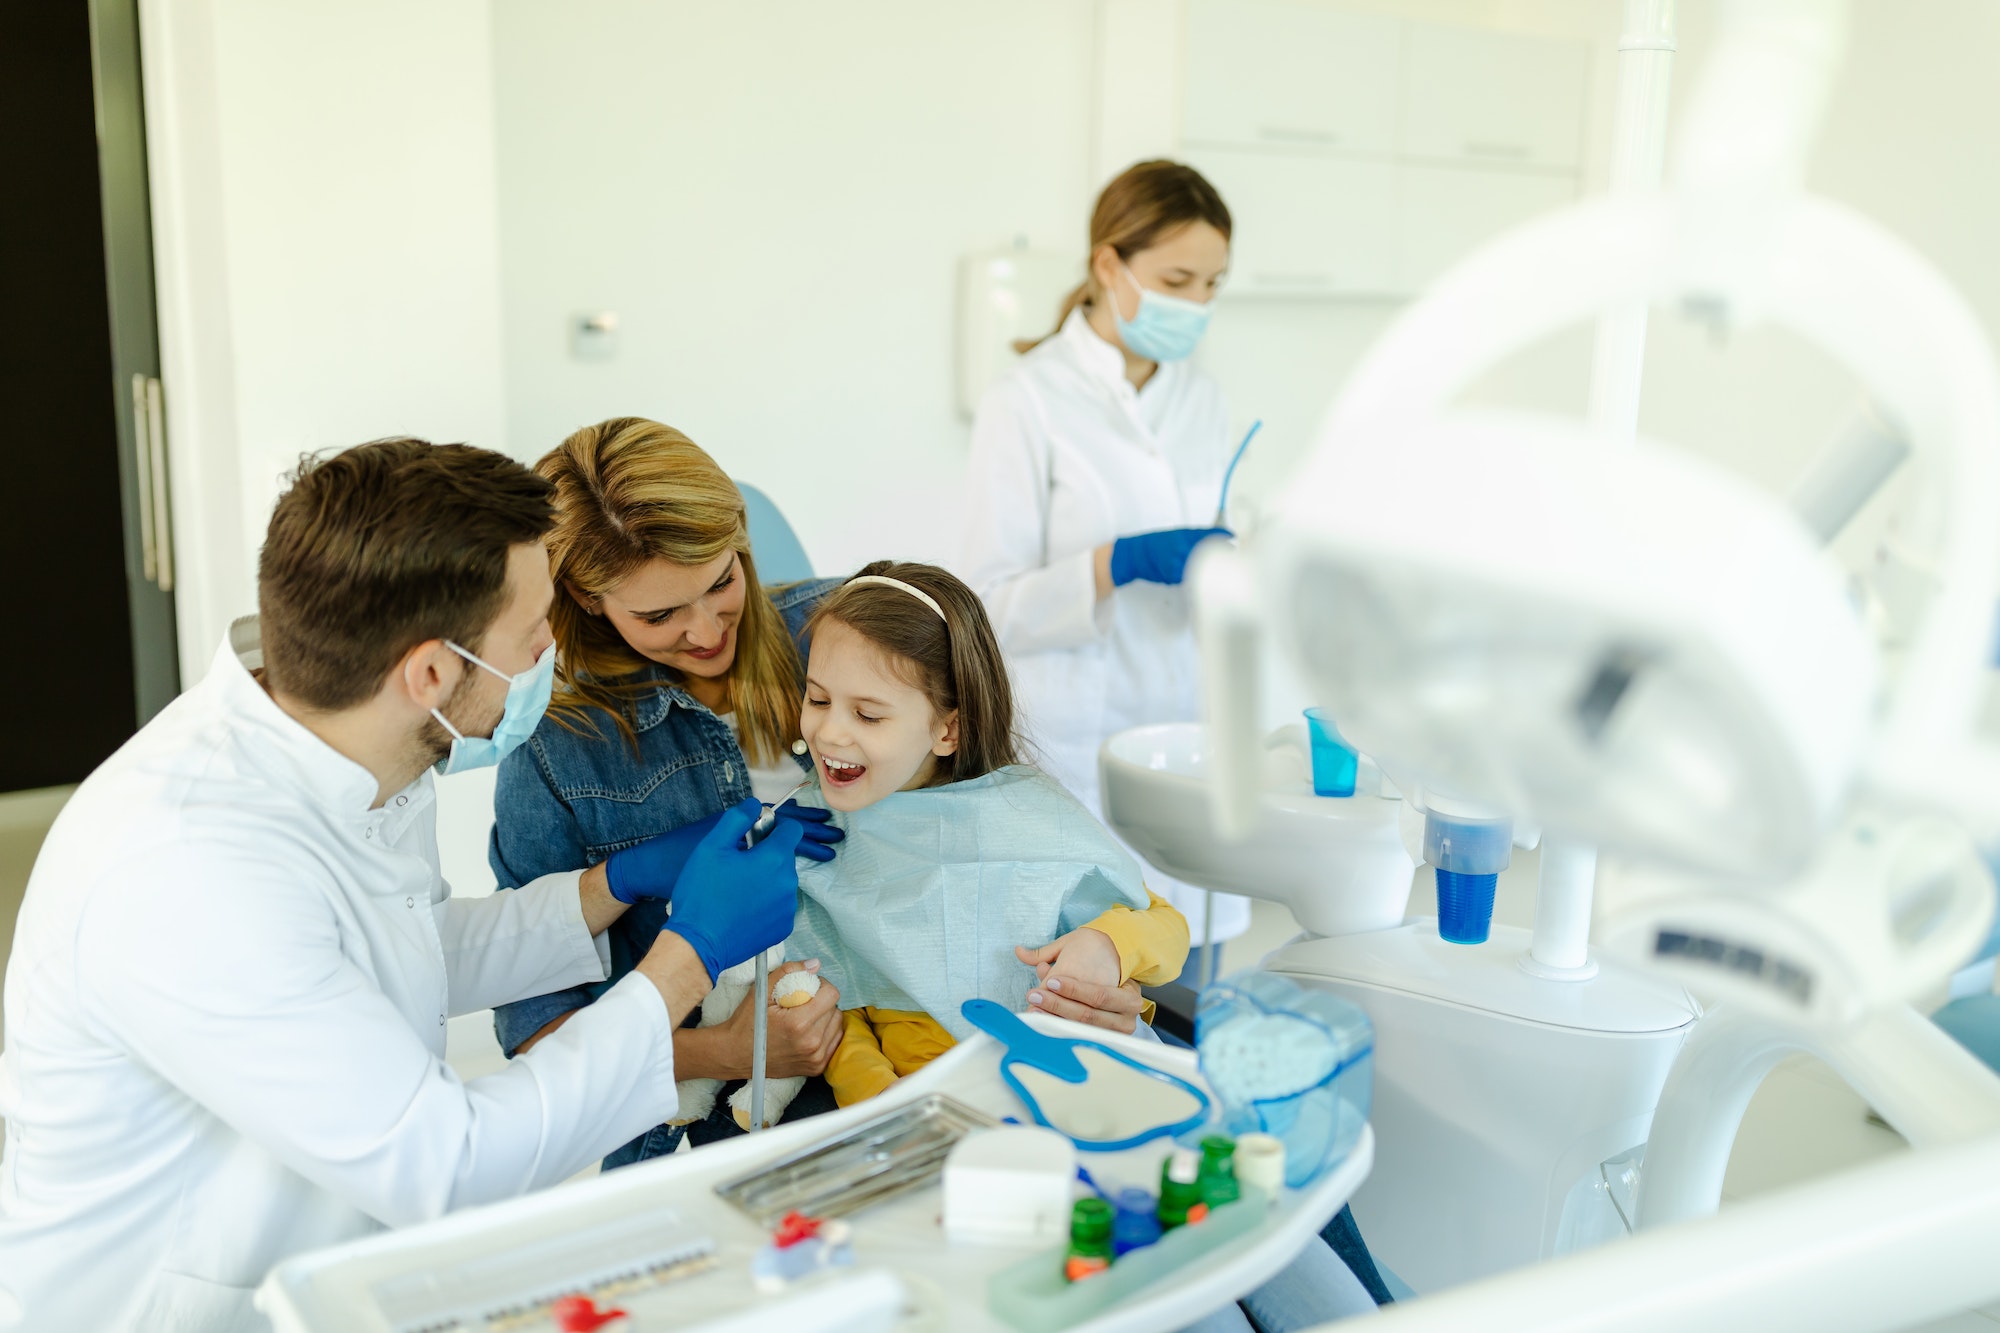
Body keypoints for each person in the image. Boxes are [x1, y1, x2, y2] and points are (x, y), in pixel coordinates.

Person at [0, 440, 814, 1332]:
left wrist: (610, 884)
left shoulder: (353, 744)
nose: (555, 648)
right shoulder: (190, 873)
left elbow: (398, 949)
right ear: (429, 673)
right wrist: (688, 959)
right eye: (536, 631)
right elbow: (448, 1160)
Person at [490, 418, 1193, 1164]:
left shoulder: (842, 625)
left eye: (721, 582)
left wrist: (1114, 995)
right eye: (659, 614)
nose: (704, 631)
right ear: (588, 599)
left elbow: (1032, 864)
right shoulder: (558, 750)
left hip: (968, 1060)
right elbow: (539, 1038)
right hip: (725, 1117)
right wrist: (725, 1049)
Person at [961, 159, 1252, 973]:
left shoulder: (1204, 398)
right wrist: (1112, 565)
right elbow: (985, 604)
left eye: (1212, 284)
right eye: (1177, 278)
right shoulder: (1026, 400)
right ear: (1107, 265)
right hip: (1076, 748)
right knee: (1083, 999)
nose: (1196, 303)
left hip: (1189, 736)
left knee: (1192, 994)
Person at [782, 561, 1184, 1105]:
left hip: (1063, 1080)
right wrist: (876, 1094)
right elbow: (831, 996)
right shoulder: (814, 830)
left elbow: (1164, 927)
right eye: (819, 699)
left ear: (947, 728)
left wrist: (1108, 945)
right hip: (921, 1106)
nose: (829, 732)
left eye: (868, 715)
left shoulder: (1028, 817)